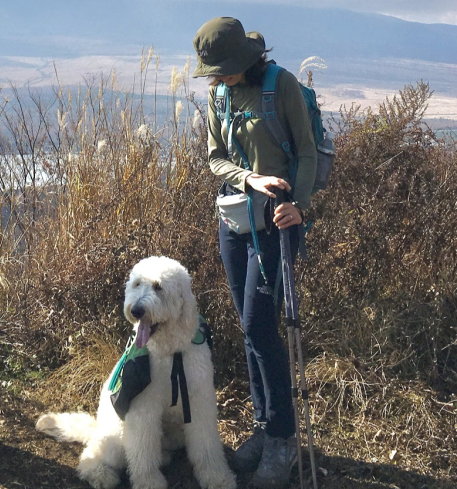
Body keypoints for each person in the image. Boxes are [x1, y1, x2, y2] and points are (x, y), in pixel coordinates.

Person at [192, 16, 317, 489]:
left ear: (245, 60)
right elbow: (214, 157)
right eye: (212, 73)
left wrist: (298, 206)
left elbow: (306, 151)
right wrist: (250, 178)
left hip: (279, 221)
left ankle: (283, 438)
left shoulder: (280, 85)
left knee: (261, 323)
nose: (216, 79)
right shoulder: (219, 93)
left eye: (222, 70)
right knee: (249, 326)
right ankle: (265, 429)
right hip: (236, 219)